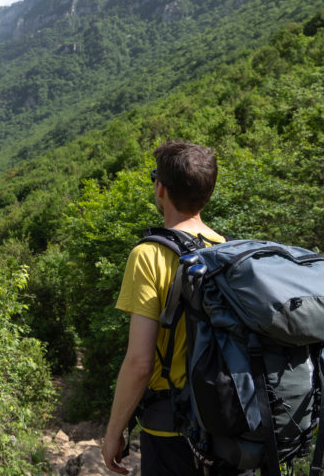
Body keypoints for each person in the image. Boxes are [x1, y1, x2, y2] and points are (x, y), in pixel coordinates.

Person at [100, 140, 225, 476]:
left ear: (160, 189)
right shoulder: (226, 251)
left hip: (171, 430)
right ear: (208, 192)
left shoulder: (149, 255)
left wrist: (114, 433)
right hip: (225, 425)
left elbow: (140, 363)